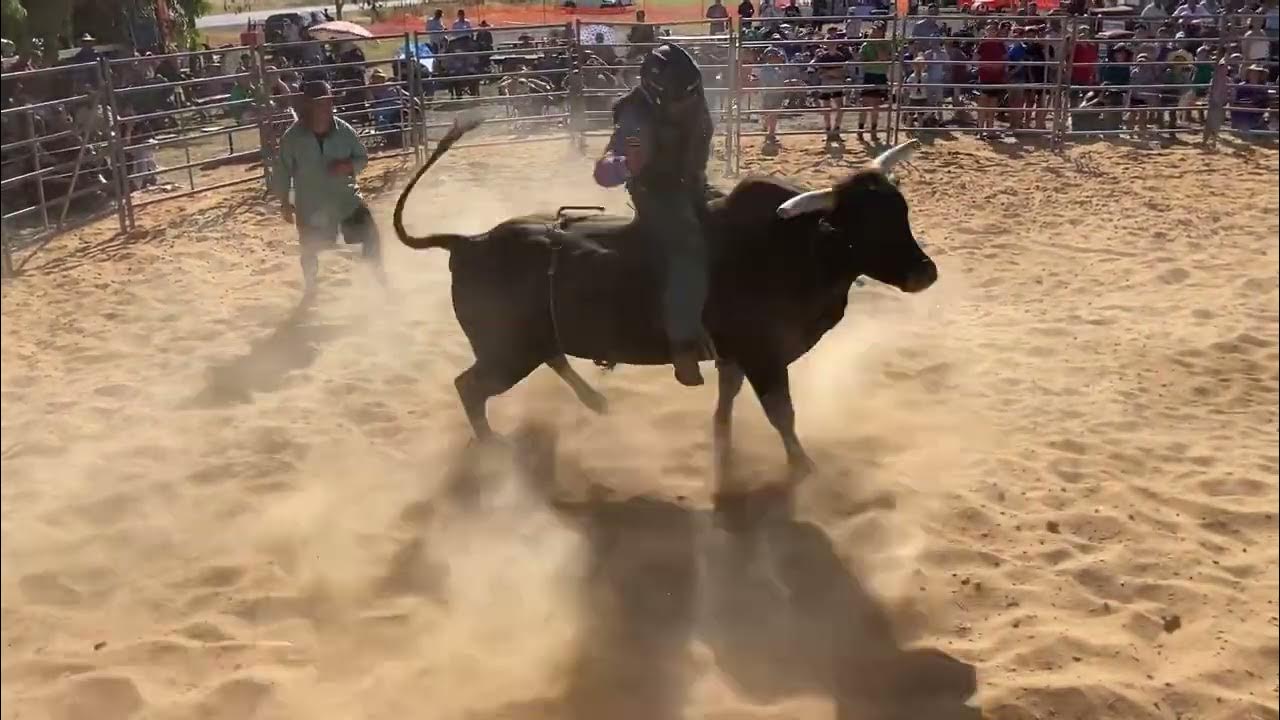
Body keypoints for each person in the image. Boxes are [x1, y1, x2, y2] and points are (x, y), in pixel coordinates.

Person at [591, 44, 714, 387]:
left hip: (693, 185)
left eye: (692, 93)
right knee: (687, 249)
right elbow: (611, 164)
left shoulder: (692, 102)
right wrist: (619, 165)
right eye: (682, 96)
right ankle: (682, 345)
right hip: (657, 195)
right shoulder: (635, 116)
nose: (689, 101)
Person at [269, 81, 385, 299]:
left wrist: (348, 166)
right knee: (309, 249)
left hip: (346, 199)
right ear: (307, 107)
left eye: (328, 103)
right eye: (320, 104)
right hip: (311, 204)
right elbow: (283, 171)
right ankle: (311, 287)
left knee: (371, 235)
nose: (326, 109)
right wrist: (284, 202)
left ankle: (378, 278)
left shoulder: (344, 131)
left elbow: (362, 157)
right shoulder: (292, 138)